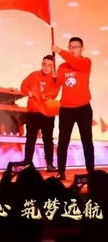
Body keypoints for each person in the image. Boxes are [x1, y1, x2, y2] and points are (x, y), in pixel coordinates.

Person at [51, 37, 94, 181]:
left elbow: (75, 63)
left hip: (83, 108)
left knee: (87, 141)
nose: (72, 49)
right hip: (66, 109)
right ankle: (61, 172)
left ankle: (91, 172)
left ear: (82, 49)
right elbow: (55, 89)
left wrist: (60, 51)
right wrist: (53, 79)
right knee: (63, 142)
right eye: (70, 47)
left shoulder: (85, 62)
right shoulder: (62, 67)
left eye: (76, 47)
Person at [20, 55, 59, 172]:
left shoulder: (55, 78)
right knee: (30, 138)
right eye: (44, 64)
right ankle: (27, 163)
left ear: (52, 67)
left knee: (48, 139)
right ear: (42, 64)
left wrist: (43, 95)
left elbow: (55, 93)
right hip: (33, 112)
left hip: (47, 113)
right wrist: (28, 92)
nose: (46, 67)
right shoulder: (34, 75)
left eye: (49, 65)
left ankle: (50, 164)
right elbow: (23, 86)